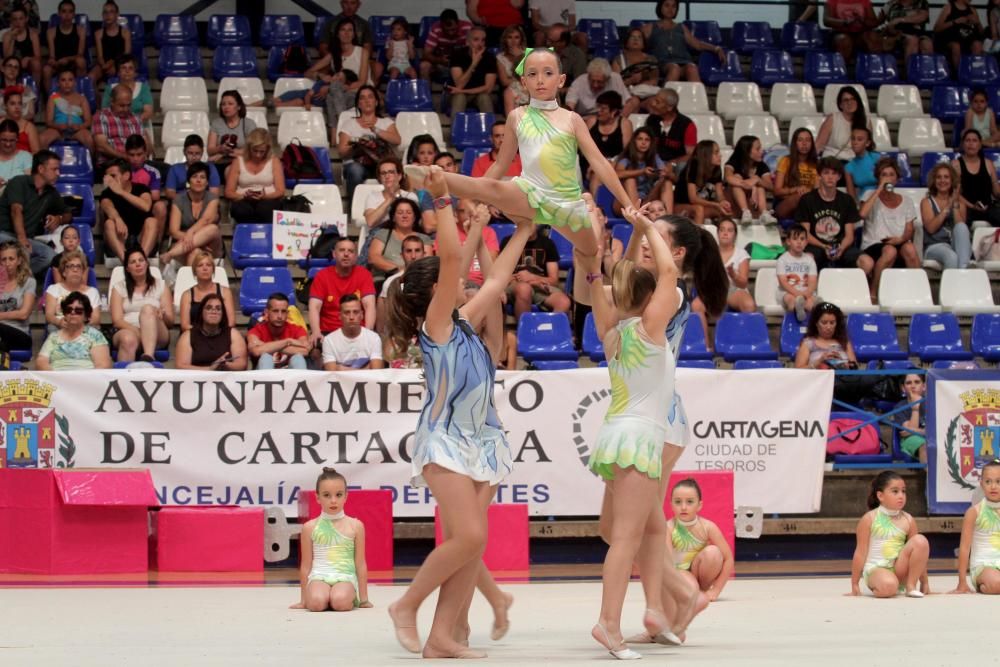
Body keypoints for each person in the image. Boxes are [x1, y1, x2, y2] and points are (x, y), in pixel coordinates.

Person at [385, 167, 531, 658]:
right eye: (453, 282)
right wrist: (443, 198)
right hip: (445, 438)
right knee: (468, 535)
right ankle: (406, 605)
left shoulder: (465, 321)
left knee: (472, 545)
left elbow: (497, 279)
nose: (464, 282)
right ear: (438, 293)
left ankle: (443, 636)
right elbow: (452, 258)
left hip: (485, 439)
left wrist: (526, 230)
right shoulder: (437, 325)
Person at [404, 47, 632, 296]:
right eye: (532, 74)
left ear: (561, 79)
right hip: (530, 192)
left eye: (547, 73)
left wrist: (627, 202)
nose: (540, 80)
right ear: (523, 81)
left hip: (566, 203)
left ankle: (589, 290)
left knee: (590, 252)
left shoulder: (572, 119)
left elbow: (599, 162)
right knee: (492, 185)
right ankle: (434, 176)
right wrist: (477, 198)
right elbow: (501, 164)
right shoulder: (517, 116)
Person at [615, 209, 726, 647]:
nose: (645, 239)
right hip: (648, 412)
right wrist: (632, 230)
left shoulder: (672, 291)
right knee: (625, 525)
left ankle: (676, 598)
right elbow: (618, 283)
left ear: (676, 253)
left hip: (659, 418)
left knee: (633, 524)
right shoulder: (652, 285)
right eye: (645, 235)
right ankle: (667, 605)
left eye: (654, 237)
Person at [583, 203, 688, 659]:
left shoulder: (613, 330)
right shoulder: (648, 330)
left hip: (615, 432)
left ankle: (662, 607)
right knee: (625, 539)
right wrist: (644, 226)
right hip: (640, 436)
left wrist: (603, 256)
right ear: (651, 301)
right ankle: (609, 624)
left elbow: (606, 287)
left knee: (636, 531)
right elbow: (669, 273)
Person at [291, 467, 373, 612]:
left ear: (346, 496)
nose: (333, 500)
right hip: (319, 576)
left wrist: (364, 599)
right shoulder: (310, 527)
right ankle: (323, 597)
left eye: (338, 495)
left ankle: (340, 596)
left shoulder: (356, 526)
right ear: (317, 497)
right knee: (316, 604)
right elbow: (305, 566)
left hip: (345, 577)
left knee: (340, 602)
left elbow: (360, 564)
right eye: (327, 495)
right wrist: (303, 600)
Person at [849, 470, 931, 598]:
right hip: (876, 569)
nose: (901, 496)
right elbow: (860, 552)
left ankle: (910, 586)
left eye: (903, 491)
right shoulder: (869, 519)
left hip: (899, 568)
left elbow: (919, 555)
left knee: (920, 541)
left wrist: (925, 581)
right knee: (888, 586)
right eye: (895, 491)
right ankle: (886, 585)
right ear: (880, 496)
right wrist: (854, 583)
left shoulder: (908, 519)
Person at [0, 150, 71, 276]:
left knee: (49, 256)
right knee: (23, 250)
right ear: (41, 169)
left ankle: (14, 277)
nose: (58, 173)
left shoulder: (51, 192)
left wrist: (59, 219)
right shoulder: (19, 182)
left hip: (27, 239)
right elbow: (16, 210)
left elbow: (68, 214)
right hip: (4, 234)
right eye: (54, 169)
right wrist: (22, 239)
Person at [858, 157, 920, 300]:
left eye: (891, 174)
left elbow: (909, 230)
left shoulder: (907, 201)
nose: (888, 178)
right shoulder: (869, 195)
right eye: (884, 175)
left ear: (897, 178)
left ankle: (917, 291)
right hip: (874, 243)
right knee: (889, 251)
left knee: (910, 248)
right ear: (878, 178)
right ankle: (873, 294)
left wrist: (901, 239)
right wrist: (879, 188)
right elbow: (862, 214)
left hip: (898, 241)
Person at [667, 479, 735, 603]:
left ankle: (702, 590)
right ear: (671, 504)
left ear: (699, 505)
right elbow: (667, 563)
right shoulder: (668, 528)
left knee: (713, 552)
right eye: (678, 502)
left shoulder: (708, 527)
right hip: (679, 572)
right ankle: (691, 589)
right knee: (689, 591)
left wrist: (716, 590)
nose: (683, 507)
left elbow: (728, 559)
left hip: (699, 571)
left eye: (689, 502)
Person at [295, 18, 369, 120]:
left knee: (331, 97)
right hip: (337, 92)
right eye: (343, 30)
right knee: (319, 94)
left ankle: (339, 123)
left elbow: (362, 82)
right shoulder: (333, 55)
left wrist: (331, 88)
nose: (346, 33)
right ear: (338, 34)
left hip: (358, 92)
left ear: (354, 34)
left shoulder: (362, 52)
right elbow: (308, 72)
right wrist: (321, 76)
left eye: (350, 30)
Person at [796, 157, 862, 270]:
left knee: (867, 262)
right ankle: (811, 287)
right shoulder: (807, 200)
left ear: (839, 176)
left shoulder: (847, 200)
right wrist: (823, 246)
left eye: (834, 173)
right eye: (826, 173)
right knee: (807, 260)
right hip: (815, 246)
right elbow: (805, 233)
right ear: (819, 175)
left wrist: (841, 248)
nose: (830, 177)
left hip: (841, 246)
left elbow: (849, 235)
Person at [336, 85, 401, 200]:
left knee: (393, 169)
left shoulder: (386, 122)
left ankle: (394, 204)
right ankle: (354, 209)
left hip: (381, 163)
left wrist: (376, 130)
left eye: (370, 97)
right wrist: (357, 146)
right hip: (358, 164)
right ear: (358, 104)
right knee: (355, 170)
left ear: (376, 102)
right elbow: (341, 152)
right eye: (362, 98)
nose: (367, 101)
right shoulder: (349, 124)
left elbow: (397, 140)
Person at [109, 247, 173, 363]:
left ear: (147, 263)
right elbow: (117, 320)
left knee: (148, 309)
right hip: (128, 329)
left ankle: (148, 356)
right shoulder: (119, 287)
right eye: (133, 262)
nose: (138, 264)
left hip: (157, 332)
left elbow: (170, 322)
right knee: (128, 339)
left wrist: (162, 315)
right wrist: (138, 331)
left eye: (141, 260)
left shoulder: (161, 285)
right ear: (128, 268)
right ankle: (124, 377)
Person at [309, 238, 376, 343]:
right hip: (328, 331)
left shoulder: (364, 275)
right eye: (342, 250)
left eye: (350, 251)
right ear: (334, 254)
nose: (346, 254)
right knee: (315, 352)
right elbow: (314, 307)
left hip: (356, 331)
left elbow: (369, 306)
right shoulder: (322, 276)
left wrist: (368, 332)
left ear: (355, 256)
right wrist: (316, 332)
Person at [643, 0, 725, 83]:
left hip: (683, 61)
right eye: (667, 5)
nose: (670, 9)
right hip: (663, 63)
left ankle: (698, 95)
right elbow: (635, 42)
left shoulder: (681, 27)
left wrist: (716, 48)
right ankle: (665, 95)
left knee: (692, 67)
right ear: (660, 7)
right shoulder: (650, 27)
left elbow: (698, 44)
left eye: (673, 6)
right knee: (674, 68)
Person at [951, 460, 1000, 594]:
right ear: (981, 484)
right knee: (997, 583)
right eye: (988, 482)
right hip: (983, 566)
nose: (993, 486)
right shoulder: (974, 512)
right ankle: (987, 584)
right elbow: (965, 548)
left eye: (998, 482)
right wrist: (962, 582)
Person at [502, 224, 570, 319]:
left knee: (563, 302)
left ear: (537, 224)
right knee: (524, 289)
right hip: (515, 285)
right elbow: (500, 275)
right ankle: (525, 331)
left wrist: (533, 279)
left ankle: (548, 331)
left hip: (539, 286)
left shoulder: (548, 244)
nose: (527, 225)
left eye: (530, 222)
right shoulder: (508, 242)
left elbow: (554, 280)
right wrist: (517, 279)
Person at [160, 162, 222, 266]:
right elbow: (174, 231)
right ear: (189, 181)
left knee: (212, 228)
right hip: (184, 247)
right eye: (194, 177)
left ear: (207, 182)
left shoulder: (213, 199)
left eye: (202, 177)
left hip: (210, 246)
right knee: (195, 252)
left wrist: (190, 233)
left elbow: (206, 220)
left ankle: (170, 253)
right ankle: (193, 282)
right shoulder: (179, 199)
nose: (198, 180)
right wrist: (195, 242)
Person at [100, 158, 158, 261]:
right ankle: (127, 262)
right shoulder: (106, 193)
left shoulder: (141, 189)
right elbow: (107, 207)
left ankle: (141, 260)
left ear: (126, 175)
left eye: (113, 176)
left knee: (152, 221)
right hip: (120, 240)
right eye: (107, 176)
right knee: (109, 223)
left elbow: (146, 206)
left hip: (140, 239)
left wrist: (121, 192)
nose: (109, 180)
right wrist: (117, 219)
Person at [224, 128, 286, 224]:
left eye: (262, 151)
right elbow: (229, 192)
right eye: (255, 151)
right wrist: (244, 196)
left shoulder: (274, 161)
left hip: (268, 199)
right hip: (243, 199)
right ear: (249, 148)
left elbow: (280, 191)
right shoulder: (238, 161)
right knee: (242, 210)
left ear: (267, 149)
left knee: (265, 210)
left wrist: (264, 196)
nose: (258, 155)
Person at [36, 292, 111, 370]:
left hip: (86, 379)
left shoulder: (95, 336)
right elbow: (41, 361)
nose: (72, 312)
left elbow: (103, 365)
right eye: (68, 310)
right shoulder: (53, 337)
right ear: (64, 314)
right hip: (57, 379)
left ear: (86, 316)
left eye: (78, 310)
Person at [367, 198, 433, 285]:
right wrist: (398, 270)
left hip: (415, 281)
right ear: (393, 217)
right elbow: (373, 257)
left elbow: (427, 263)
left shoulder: (424, 238)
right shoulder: (383, 234)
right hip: (384, 280)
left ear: (414, 217)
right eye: (400, 212)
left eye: (409, 213)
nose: (404, 216)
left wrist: (409, 274)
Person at [175, 292, 247, 371]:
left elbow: (242, 364)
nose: (214, 311)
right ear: (201, 312)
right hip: (196, 380)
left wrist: (224, 364)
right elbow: (181, 366)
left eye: (218, 308)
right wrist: (209, 369)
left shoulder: (233, 334)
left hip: (226, 378)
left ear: (222, 313)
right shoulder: (188, 335)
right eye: (209, 308)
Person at [921, 162, 971, 269]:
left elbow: (960, 228)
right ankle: (955, 283)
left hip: (955, 246)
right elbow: (931, 228)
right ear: (934, 181)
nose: (942, 180)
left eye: (946, 177)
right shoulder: (926, 202)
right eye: (939, 177)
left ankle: (962, 274)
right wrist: (948, 205)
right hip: (934, 246)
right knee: (951, 257)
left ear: (952, 181)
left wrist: (955, 202)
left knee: (962, 227)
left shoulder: (960, 205)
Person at [583, 91, 633, 199]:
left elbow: (627, 151)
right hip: (591, 163)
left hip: (615, 164)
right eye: (598, 107)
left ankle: (595, 208)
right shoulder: (591, 122)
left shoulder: (625, 124)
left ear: (614, 111)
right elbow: (583, 147)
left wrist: (612, 162)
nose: (599, 111)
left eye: (603, 108)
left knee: (599, 172)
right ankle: (595, 208)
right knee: (597, 172)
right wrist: (595, 162)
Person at [248, 292, 311, 370]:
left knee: (298, 359)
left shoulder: (298, 329)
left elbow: (304, 351)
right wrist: (288, 342)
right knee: (266, 358)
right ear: (266, 312)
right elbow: (256, 351)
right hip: (263, 375)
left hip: (289, 373)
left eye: (283, 311)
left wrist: (267, 346)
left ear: (287, 313)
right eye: (275, 311)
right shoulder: (256, 331)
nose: (280, 316)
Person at [674, 140, 731, 225]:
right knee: (699, 209)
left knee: (725, 211)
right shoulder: (693, 166)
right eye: (716, 152)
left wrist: (723, 202)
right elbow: (693, 199)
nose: (720, 155)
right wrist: (716, 205)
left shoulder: (716, 168)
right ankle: (698, 237)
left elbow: (719, 194)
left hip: (704, 206)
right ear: (706, 155)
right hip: (682, 206)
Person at [322, 294, 385, 370]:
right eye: (347, 312)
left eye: (355, 312)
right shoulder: (329, 340)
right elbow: (331, 373)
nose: (351, 317)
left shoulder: (374, 338)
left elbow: (376, 371)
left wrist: (340, 368)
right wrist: (366, 369)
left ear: (362, 315)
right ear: (340, 316)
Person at [951, 129, 1000, 226]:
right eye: (967, 140)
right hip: (966, 207)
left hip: (988, 207)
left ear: (980, 144)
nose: (971, 144)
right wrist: (973, 206)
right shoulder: (956, 165)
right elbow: (956, 194)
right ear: (963, 144)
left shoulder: (988, 163)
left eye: (974, 140)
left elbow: (996, 191)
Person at [178, 249, 235, 332]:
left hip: (220, 335)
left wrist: (214, 333)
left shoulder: (225, 292)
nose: (205, 268)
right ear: (195, 271)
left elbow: (231, 322)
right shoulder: (187, 295)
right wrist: (204, 334)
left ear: (213, 269)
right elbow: (185, 325)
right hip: (194, 335)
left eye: (208, 265)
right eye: (200, 265)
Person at [724, 135, 777, 225]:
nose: (762, 151)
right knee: (737, 177)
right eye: (757, 149)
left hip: (753, 205)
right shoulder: (733, 163)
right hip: (733, 206)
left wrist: (757, 180)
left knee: (760, 185)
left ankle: (764, 214)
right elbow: (728, 178)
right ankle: (745, 211)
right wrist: (752, 186)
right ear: (747, 151)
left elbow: (771, 186)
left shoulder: (761, 165)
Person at [44, 249, 100, 333]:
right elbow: (49, 316)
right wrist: (59, 322)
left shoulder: (93, 292)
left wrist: (78, 324)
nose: (75, 269)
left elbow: (96, 318)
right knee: (52, 328)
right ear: (63, 272)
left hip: (84, 328)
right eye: (70, 266)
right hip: (61, 327)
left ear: (82, 272)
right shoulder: (53, 289)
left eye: (78, 266)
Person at [92, 84, 146, 171]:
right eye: (122, 106)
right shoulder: (101, 117)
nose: (125, 109)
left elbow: (144, 143)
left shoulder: (136, 118)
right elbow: (101, 146)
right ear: (112, 102)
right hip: (111, 162)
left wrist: (138, 157)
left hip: (135, 161)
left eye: (128, 105)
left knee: (164, 169)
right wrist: (124, 156)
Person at [40, 66, 93, 151]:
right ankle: (43, 163)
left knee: (89, 139)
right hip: (57, 130)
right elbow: (49, 122)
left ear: (75, 82)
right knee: (42, 139)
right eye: (63, 80)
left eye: (70, 80)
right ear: (58, 83)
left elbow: (88, 121)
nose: (67, 83)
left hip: (77, 131)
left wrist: (79, 127)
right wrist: (58, 126)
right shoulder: (53, 97)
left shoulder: (81, 99)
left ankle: (91, 163)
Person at [566, 58, 639, 119]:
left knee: (634, 101)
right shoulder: (579, 81)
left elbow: (628, 102)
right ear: (588, 76)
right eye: (592, 81)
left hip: (612, 118)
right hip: (586, 118)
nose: (595, 85)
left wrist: (618, 120)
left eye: (599, 82)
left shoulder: (615, 78)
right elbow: (569, 106)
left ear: (608, 79)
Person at [794, 301, 858, 370]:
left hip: (841, 379)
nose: (828, 327)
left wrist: (842, 363)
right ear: (816, 323)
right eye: (824, 323)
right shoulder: (808, 343)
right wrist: (818, 363)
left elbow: (855, 369)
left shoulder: (844, 342)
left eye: (832, 323)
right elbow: (798, 371)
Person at [448, 26, 497, 114]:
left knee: (484, 97)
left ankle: (491, 127)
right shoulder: (457, 55)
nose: (480, 44)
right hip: (456, 94)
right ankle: (457, 127)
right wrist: (474, 64)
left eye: (483, 40)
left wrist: (463, 91)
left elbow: (488, 88)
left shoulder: (490, 58)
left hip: (478, 94)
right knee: (460, 97)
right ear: (467, 42)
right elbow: (459, 85)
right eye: (476, 40)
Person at [644, 88, 697, 171]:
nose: (653, 104)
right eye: (654, 100)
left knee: (682, 166)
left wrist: (672, 163)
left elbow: (690, 154)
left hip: (675, 166)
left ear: (669, 107)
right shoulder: (651, 120)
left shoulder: (687, 125)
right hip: (653, 163)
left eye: (657, 102)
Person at [615, 128, 666, 213]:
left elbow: (669, 174)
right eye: (640, 139)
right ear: (634, 141)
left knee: (665, 182)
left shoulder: (655, 157)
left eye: (647, 140)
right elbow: (616, 174)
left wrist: (663, 174)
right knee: (630, 180)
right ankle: (637, 215)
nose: (643, 143)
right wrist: (642, 171)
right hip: (624, 204)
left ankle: (669, 218)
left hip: (646, 200)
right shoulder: (626, 158)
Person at [362, 156, 418, 231]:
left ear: (399, 176)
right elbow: (370, 222)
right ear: (380, 178)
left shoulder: (410, 196)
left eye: (391, 172)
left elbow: (416, 222)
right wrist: (390, 199)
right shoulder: (373, 196)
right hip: (379, 235)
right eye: (383, 173)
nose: (387, 176)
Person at [207, 90, 257, 173]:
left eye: (230, 104)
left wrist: (223, 154)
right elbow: (210, 150)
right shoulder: (216, 123)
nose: (226, 107)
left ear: (239, 107)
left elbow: (253, 149)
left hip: (242, 162)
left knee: (230, 170)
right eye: (223, 104)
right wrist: (220, 148)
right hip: (219, 163)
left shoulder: (249, 124)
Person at [775, 128, 819, 220]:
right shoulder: (785, 161)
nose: (804, 143)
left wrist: (808, 190)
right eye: (800, 140)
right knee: (801, 197)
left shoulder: (816, 164)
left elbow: (818, 190)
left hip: (808, 203)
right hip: (784, 204)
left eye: (808, 140)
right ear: (795, 143)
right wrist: (795, 190)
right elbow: (777, 191)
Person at [776, 226, 818, 321]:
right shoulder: (782, 260)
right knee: (791, 300)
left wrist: (806, 294)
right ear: (788, 241)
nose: (799, 242)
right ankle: (796, 311)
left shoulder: (810, 260)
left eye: (802, 239)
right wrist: (798, 294)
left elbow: (813, 281)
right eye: (795, 239)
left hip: (806, 292)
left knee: (810, 303)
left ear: (806, 242)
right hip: (787, 292)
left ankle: (811, 310)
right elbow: (783, 283)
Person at [44, 0, 87, 91]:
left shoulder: (80, 30)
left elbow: (80, 54)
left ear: (74, 14)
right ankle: (51, 98)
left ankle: (79, 93)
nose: (67, 15)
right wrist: (53, 60)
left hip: (73, 63)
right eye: (64, 11)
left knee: (81, 61)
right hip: (58, 64)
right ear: (59, 13)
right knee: (46, 70)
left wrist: (67, 59)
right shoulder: (51, 32)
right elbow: (52, 55)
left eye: (70, 11)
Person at [715, 218, 756, 314]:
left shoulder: (741, 254)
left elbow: (743, 284)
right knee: (696, 305)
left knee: (749, 305)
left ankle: (746, 329)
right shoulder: (709, 253)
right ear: (718, 233)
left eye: (729, 230)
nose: (725, 233)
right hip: (713, 291)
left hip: (734, 291)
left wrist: (733, 275)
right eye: (722, 230)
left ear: (735, 236)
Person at [816, 87, 869, 160]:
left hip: (855, 163)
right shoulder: (832, 119)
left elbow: (868, 147)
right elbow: (818, 145)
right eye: (846, 100)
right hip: (833, 162)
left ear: (858, 101)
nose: (849, 102)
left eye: (853, 99)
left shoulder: (866, 121)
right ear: (840, 105)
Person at [875, 0, 933, 67]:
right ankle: (911, 73)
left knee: (926, 43)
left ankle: (925, 73)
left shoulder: (921, 3)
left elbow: (922, 17)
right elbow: (878, 22)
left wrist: (900, 20)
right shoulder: (890, 4)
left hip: (917, 32)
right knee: (912, 40)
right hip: (896, 33)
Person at [420, 9, 472, 82]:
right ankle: (426, 92)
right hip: (440, 64)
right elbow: (426, 54)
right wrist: (439, 60)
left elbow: (476, 49)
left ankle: (467, 92)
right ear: (441, 25)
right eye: (447, 30)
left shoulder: (468, 28)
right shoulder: (436, 28)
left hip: (462, 63)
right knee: (424, 66)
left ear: (458, 23)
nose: (450, 33)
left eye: (453, 30)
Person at [0, 239, 34, 351]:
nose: (7, 263)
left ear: (19, 261)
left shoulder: (29, 282)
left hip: (20, 333)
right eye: (3, 259)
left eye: (11, 259)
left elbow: (24, 314)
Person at [99, 55, 152, 127]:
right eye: (123, 68)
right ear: (118, 72)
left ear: (135, 73)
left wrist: (131, 122)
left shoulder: (144, 88)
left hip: (139, 126)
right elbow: (104, 111)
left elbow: (148, 112)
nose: (127, 71)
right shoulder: (110, 88)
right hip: (115, 126)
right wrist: (120, 124)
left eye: (130, 68)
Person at [933, 0, 986, 71]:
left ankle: (975, 73)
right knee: (956, 46)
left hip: (968, 38)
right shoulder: (949, 7)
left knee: (977, 45)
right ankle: (959, 74)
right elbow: (937, 29)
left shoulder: (972, 9)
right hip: (951, 39)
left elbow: (981, 33)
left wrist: (978, 23)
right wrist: (955, 21)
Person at [165, 134, 222, 199]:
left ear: (202, 152)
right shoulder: (175, 169)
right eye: (190, 153)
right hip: (180, 204)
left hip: (204, 204)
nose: (194, 157)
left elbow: (214, 194)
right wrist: (187, 201)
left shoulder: (210, 168)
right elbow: (170, 193)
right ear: (184, 152)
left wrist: (197, 202)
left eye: (197, 153)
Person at [613, 28, 660, 105]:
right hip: (626, 95)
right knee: (633, 101)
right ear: (626, 42)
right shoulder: (618, 60)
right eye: (632, 37)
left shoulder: (651, 59)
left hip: (647, 95)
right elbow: (616, 84)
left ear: (644, 43)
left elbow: (654, 81)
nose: (636, 40)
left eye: (639, 37)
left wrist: (639, 86)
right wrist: (631, 81)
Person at [825, 0, 880, 64]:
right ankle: (844, 68)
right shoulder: (832, 1)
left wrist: (862, 21)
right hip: (839, 32)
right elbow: (826, 20)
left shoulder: (865, 1)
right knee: (843, 40)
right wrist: (845, 23)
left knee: (872, 37)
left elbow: (874, 22)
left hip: (860, 33)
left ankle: (874, 67)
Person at [91, 0, 131, 86]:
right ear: (102, 15)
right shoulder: (98, 33)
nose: (108, 15)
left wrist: (113, 63)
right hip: (104, 65)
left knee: (122, 71)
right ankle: (96, 99)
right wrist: (104, 66)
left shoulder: (125, 33)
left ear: (117, 14)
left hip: (120, 63)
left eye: (111, 12)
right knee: (90, 78)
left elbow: (127, 55)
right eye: (105, 12)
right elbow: (100, 56)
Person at [1, 5, 40, 88]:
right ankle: (6, 90)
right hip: (12, 64)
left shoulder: (33, 34)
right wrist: (13, 39)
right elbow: (7, 57)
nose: (18, 22)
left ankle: (35, 91)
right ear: (11, 21)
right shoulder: (7, 35)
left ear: (26, 19)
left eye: (21, 19)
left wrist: (28, 58)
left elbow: (38, 56)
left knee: (36, 63)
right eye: (15, 19)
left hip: (28, 64)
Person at [891, 373, 927, 463]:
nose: (913, 386)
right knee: (925, 445)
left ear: (924, 386)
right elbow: (910, 433)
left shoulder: (933, 403)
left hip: (930, 437)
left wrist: (919, 431)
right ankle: (930, 477)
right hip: (910, 440)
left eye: (917, 382)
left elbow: (909, 430)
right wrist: (915, 408)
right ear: (903, 388)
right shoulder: (899, 407)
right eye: (909, 383)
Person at [496, 25, 528, 115]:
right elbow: (504, 81)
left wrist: (519, 57)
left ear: (521, 39)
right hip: (511, 89)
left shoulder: (528, 54)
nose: (513, 41)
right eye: (510, 37)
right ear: (505, 39)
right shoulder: (500, 57)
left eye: (516, 37)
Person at [844, 127, 880, 202]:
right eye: (853, 139)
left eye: (859, 139)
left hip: (881, 197)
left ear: (867, 143)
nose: (855, 142)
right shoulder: (848, 167)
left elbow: (888, 180)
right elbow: (851, 195)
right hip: (863, 200)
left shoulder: (877, 158)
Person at [0, 119, 31, 193]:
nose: (8, 144)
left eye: (12, 140)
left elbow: (29, 185)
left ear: (17, 139)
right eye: (4, 140)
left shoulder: (26, 157)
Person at [3, 86, 37, 153]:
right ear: (5, 106)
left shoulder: (29, 127)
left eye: (19, 103)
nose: (17, 107)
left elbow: (36, 153)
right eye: (12, 103)